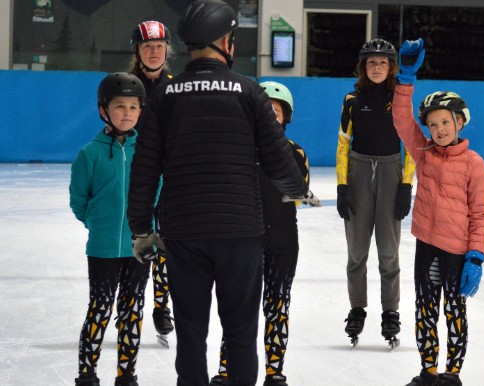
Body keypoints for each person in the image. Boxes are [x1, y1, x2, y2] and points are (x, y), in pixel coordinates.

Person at [126, 1, 309, 385]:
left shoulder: (166, 96)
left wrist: (141, 228)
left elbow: (144, 169)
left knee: (190, 333)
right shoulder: (248, 91)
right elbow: (280, 163)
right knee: (241, 332)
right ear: (225, 40)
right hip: (241, 234)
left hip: (184, 233)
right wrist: (297, 189)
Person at [391, 38, 484, 386]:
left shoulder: (474, 164)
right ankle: (429, 370)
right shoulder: (425, 154)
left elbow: (480, 213)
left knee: (454, 311)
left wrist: (475, 256)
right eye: (433, 125)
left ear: (459, 122)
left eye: (445, 123)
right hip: (427, 246)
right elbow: (403, 123)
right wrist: (405, 80)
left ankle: (452, 373)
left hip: (457, 251)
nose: (439, 130)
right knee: (425, 310)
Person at [208, 81, 320, 386]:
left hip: (282, 242)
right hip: (244, 240)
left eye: (276, 111)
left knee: (277, 304)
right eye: (264, 110)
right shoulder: (238, 150)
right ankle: (227, 368)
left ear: (286, 117)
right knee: (239, 307)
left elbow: (297, 192)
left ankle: (274, 371)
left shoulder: (295, 153)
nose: (270, 116)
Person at [335, 38, 416, 347]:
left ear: (391, 67)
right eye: (372, 62)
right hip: (357, 171)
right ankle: (357, 308)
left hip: (391, 171)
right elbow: (344, 142)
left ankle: (390, 312)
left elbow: (409, 143)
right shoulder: (351, 99)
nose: (377, 67)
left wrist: (406, 185)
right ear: (363, 67)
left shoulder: (400, 98)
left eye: (383, 62)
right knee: (356, 252)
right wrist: (342, 185)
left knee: (388, 252)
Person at [70, 72, 148, 386]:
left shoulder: (147, 152)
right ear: (105, 110)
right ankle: (87, 373)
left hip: (139, 246)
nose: (126, 113)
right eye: (119, 106)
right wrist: (97, 224)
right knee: (100, 308)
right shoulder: (90, 154)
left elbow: (157, 190)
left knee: (132, 311)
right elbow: (79, 200)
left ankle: (126, 374)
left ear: (140, 110)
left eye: (132, 107)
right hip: (102, 248)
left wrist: (148, 227)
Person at [129, 19, 175, 345]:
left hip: (170, 181)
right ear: (138, 50)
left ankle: (162, 307)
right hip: (136, 179)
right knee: (136, 244)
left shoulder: (176, 86)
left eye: (159, 46)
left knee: (165, 245)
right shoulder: (127, 85)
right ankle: (132, 307)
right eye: (148, 46)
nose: (154, 52)